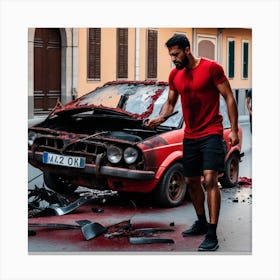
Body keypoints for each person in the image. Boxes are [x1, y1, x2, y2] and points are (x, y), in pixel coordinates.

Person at [145, 34, 239, 251]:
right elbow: (170, 103)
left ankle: (212, 234)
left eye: (176, 54)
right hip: (191, 135)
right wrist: (159, 118)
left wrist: (233, 130)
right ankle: (201, 221)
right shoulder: (174, 75)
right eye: (171, 55)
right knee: (191, 180)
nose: (173, 59)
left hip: (212, 133)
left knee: (209, 179)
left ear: (187, 50)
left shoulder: (211, 68)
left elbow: (229, 97)